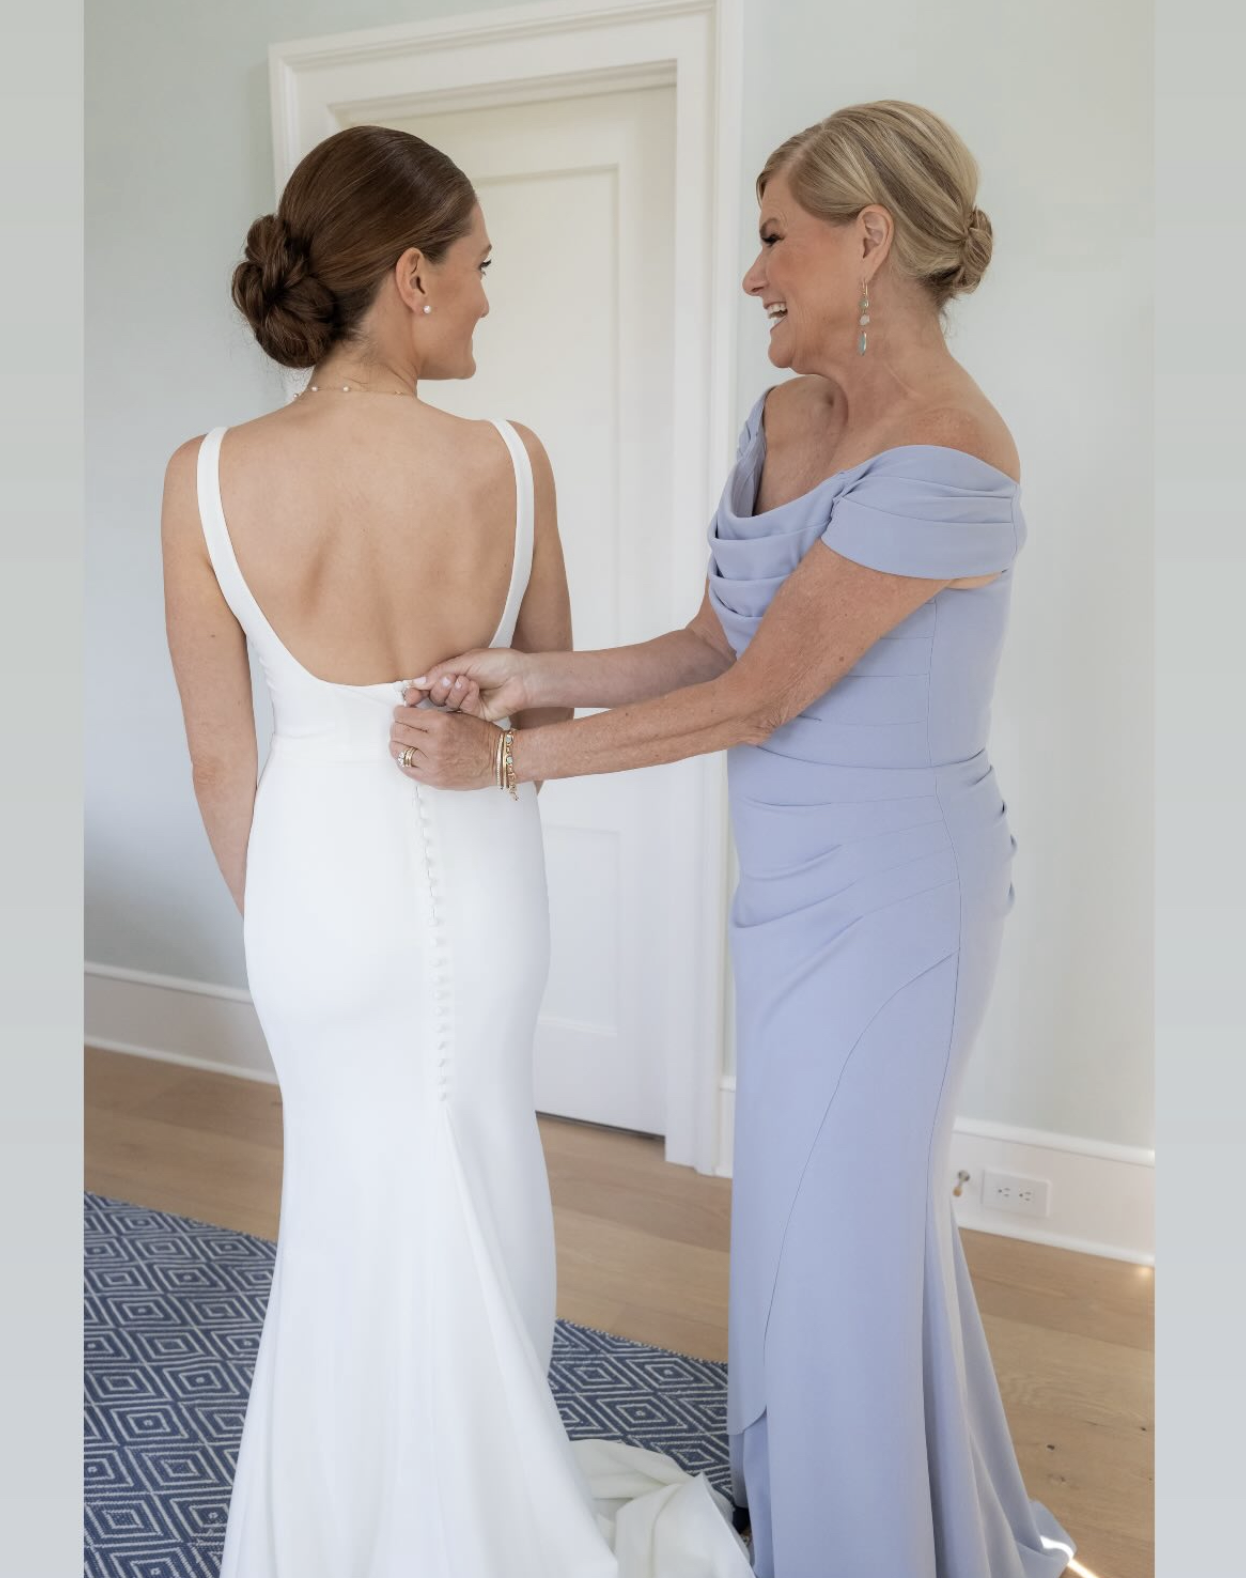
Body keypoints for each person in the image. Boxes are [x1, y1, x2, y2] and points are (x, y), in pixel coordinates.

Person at [391, 100, 1078, 1578]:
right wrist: (536, 675)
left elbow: (761, 700)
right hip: (791, 891)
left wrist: (505, 760)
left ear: (869, 238)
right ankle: (873, 1509)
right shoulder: (778, 422)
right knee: (817, 1234)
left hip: (899, 905)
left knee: (841, 1245)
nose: (753, 272)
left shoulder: (954, 451)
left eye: (775, 236)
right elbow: (716, 640)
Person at [161, 123, 752, 1578]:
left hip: (308, 889)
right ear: (413, 276)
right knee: (481, 1168)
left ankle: (353, 1521)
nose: (490, 297)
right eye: (481, 268)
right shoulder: (510, 461)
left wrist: (278, 926)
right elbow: (544, 681)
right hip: (477, 872)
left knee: (347, 1200)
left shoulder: (203, 476)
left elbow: (219, 755)